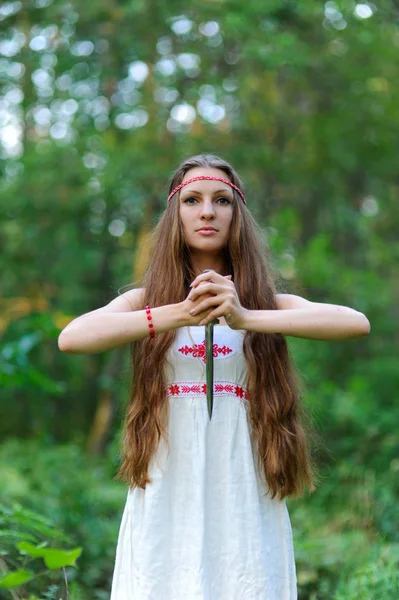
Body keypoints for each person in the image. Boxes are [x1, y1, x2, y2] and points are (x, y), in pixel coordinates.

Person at [58, 154, 371, 599]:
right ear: (176, 213)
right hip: (169, 473)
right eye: (193, 200)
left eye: (221, 200)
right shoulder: (146, 299)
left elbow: (355, 322)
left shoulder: (263, 300)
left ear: (235, 214)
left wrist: (245, 316)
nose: (207, 211)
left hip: (242, 476)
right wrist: (178, 313)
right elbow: (73, 337)